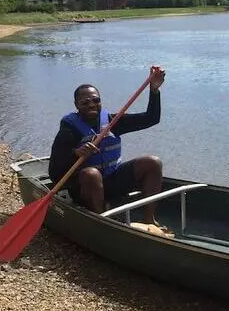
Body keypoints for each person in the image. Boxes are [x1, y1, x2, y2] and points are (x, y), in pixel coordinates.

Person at [48, 66, 166, 224]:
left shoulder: (113, 122)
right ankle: (103, 221)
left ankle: (149, 220)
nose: (91, 104)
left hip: (112, 181)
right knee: (91, 174)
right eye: (85, 102)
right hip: (85, 188)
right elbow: (54, 172)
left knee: (153, 162)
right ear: (77, 105)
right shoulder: (68, 131)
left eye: (96, 100)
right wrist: (77, 154)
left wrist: (154, 90)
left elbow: (151, 119)